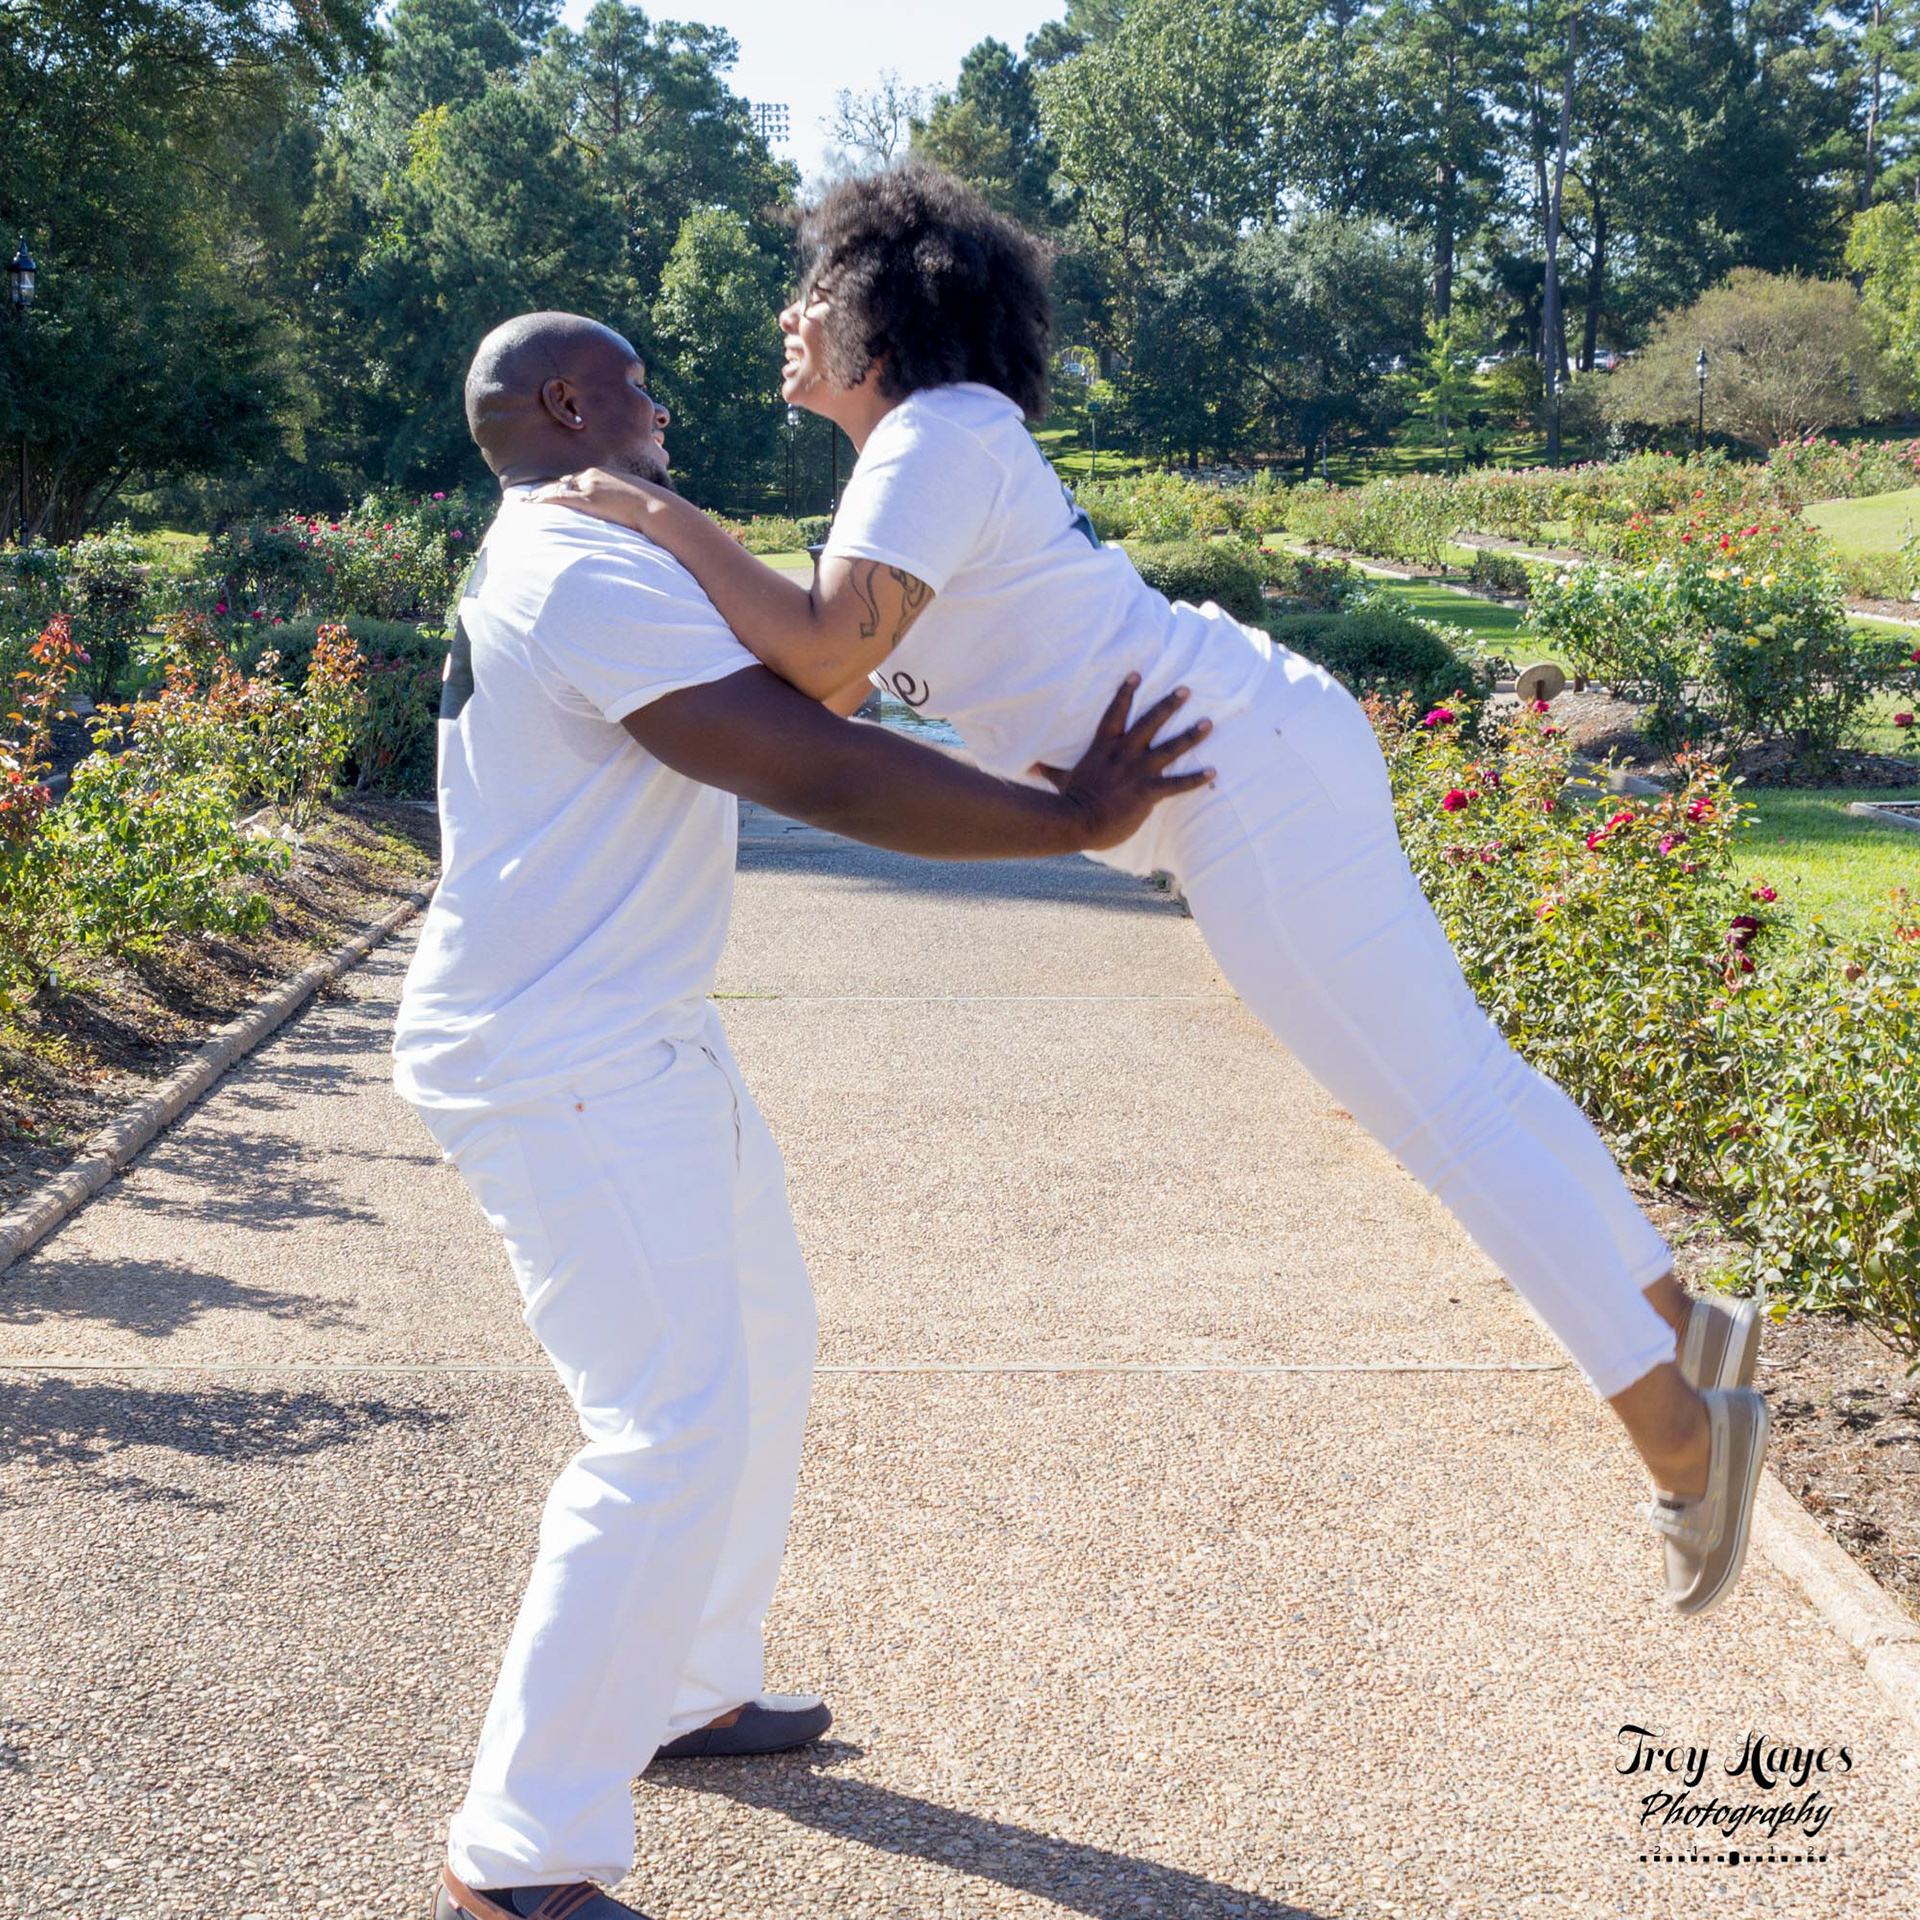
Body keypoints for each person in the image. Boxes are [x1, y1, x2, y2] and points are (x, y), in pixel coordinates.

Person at [540, 165, 1773, 1629]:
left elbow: (821, 652)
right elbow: (841, 676)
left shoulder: (935, 437)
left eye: (813, 289)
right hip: (1257, 756)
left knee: (1446, 1121)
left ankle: (1681, 1433)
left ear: (877, 318)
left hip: (1238, 785)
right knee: (1471, 1083)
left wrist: (659, 514)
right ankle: (1679, 1328)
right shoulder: (927, 450)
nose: (789, 315)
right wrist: (685, 543)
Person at [393, 310, 1214, 1920]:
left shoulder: (604, 545)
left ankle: (686, 1688)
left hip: (633, 1032)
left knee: (762, 1346)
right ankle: (520, 1855)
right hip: (560, 1054)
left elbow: (806, 656)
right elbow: (811, 762)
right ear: (567, 404)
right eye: (637, 387)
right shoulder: (574, 566)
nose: (665, 408)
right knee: (665, 1426)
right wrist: (1063, 821)